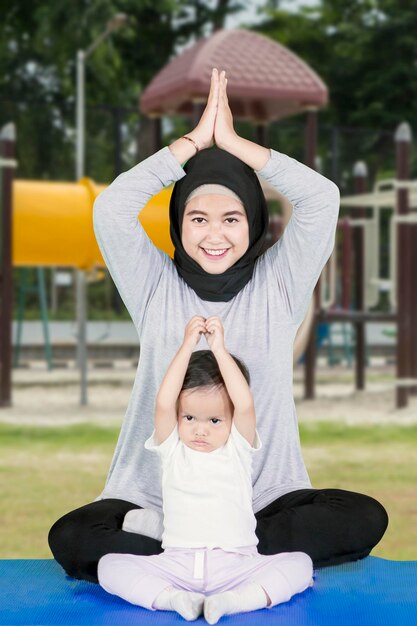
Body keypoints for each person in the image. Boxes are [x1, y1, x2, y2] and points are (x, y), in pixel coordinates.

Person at [48, 68, 388, 583]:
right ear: (178, 222)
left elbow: (322, 199)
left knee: (364, 517)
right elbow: (113, 208)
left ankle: (219, 542)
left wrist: (234, 143)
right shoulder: (154, 285)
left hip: (262, 500)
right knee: (71, 538)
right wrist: (191, 144)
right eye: (197, 218)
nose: (214, 234)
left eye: (231, 218)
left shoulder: (279, 285)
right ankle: (184, 536)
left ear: (252, 222)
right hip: (156, 496)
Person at [98, 316, 313, 623]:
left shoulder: (238, 448)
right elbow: (163, 403)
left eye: (214, 421)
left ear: (230, 421)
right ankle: (173, 600)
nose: (200, 431)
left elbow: (245, 405)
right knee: (109, 566)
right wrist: (187, 345)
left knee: (301, 565)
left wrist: (219, 349)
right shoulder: (172, 448)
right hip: (178, 565)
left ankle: (235, 602)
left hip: (238, 565)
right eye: (189, 419)